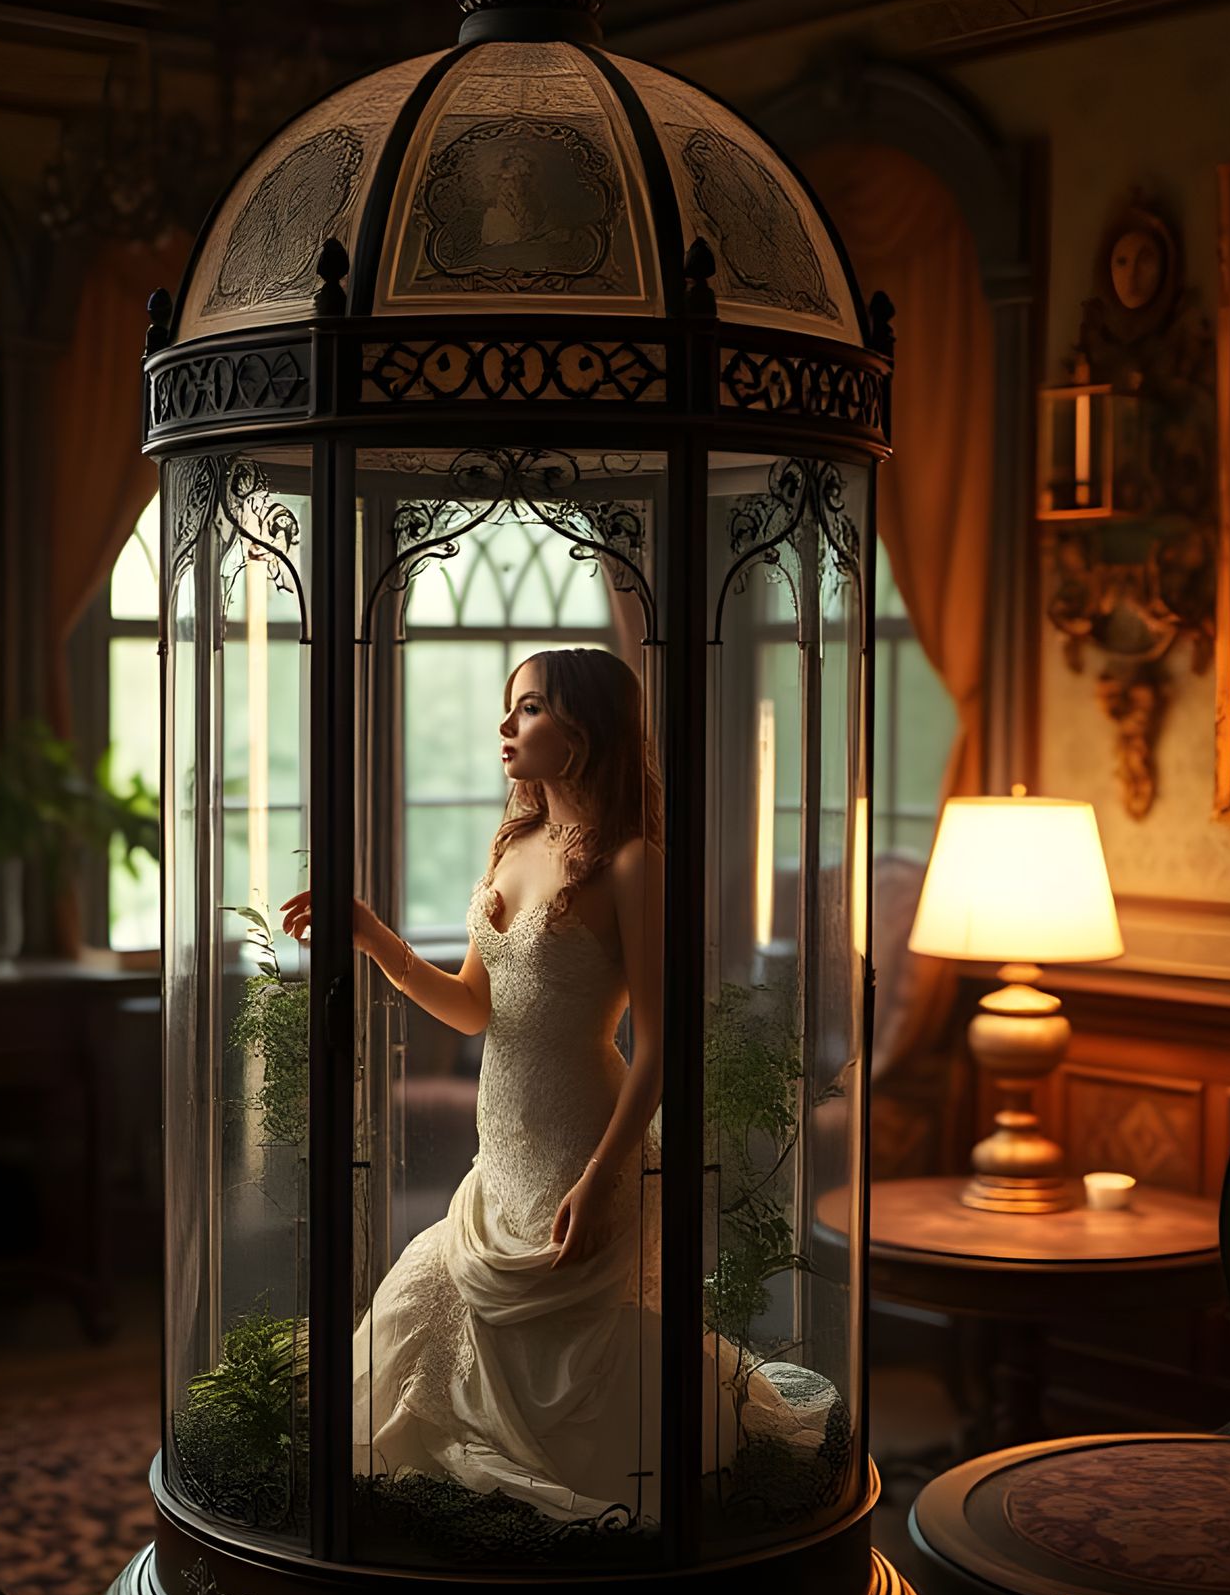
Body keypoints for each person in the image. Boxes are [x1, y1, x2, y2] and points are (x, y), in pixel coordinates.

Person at [280, 647, 834, 1529]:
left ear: (582, 729)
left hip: (582, 1146)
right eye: (510, 707)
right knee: (426, 1315)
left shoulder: (631, 864)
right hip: (499, 1155)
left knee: (582, 1350)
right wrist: (371, 934)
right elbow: (470, 1010)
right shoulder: (514, 844)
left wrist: (601, 1174)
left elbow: (658, 1047)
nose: (506, 726)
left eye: (528, 708)